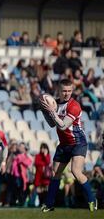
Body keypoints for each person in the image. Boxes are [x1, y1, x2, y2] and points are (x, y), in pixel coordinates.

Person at [40, 79, 97, 212]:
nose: (66, 94)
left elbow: (63, 125)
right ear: (59, 91)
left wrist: (52, 112)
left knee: (76, 171)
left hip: (78, 142)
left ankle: (92, 199)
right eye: (64, 91)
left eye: (69, 91)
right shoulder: (55, 104)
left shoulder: (74, 106)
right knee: (55, 173)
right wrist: (45, 111)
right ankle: (49, 204)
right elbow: (52, 124)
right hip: (64, 144)